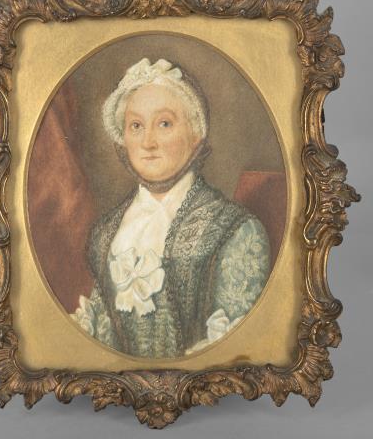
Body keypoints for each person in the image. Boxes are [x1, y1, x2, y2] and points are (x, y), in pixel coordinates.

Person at [70, 58, 270, 358]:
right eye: (136, 126)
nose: (147, 142)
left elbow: (239, 348)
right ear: (123, 138)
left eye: (164, 124)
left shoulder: (235, 229)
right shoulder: (106, 233)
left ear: (196, 134)